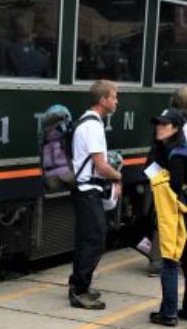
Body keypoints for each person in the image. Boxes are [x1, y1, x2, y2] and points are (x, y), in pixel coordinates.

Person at [68, 80, 122, 310]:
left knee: (85, 239)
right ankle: (79, 291)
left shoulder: (89, 121)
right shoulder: (93, 126)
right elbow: (100, 166)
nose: (117, 101)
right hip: (87, 190)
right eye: (114, 96)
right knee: (95, 239)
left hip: (85, 190)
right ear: (103, 100)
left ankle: (79, 285)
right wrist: (117, 176)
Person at [147, 108, 187, 326]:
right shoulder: (182, 149)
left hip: (182, 216)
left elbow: (175, 187)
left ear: (176, 128)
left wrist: (154, 169)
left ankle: (169, 315)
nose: (159, 128)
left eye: (165, 124)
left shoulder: (176, 154)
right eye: (158, 124)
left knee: (170, 262)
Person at [146, 87, 187, 276]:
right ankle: (169, 259)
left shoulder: (163, 116)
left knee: (160, 215)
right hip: (174, 175)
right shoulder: (184, 123)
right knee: (174, 218)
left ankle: (156, 259)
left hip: (156, 171)